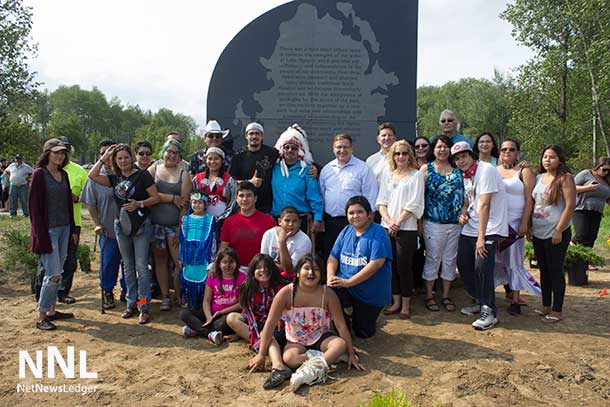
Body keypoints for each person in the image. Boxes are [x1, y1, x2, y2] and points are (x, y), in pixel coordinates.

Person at [250, 254, 364, 392]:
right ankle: (328, 359)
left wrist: (351, 353)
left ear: (321, 273)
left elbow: (341, 325)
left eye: (315, 269)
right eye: (306, 268)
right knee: (289, 358)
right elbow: (269, 324)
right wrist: (261, 354)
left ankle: (308, 373)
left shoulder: (327, 294)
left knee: (340, 344)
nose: (311, 273)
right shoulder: (286, 293)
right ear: (298, 272)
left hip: (321, 336)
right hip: (296, 340)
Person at [88, 143, 160, 324]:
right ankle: (131, 303)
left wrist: (140, 204)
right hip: (121, 226)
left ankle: (143, 306)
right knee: (127, 267)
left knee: (141, 267)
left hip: (141, 225)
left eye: (126, 157)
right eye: (119, 158)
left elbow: (156, 197)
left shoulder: (142, 176)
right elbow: (92, 175)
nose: (123, 161)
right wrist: (105, 156)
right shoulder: (114, 178)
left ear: (132, 158)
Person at [453, 141, 507, 330]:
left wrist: (481, 238)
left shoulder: (486, 171)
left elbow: (485, 204)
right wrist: (464, 212)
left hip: (489, 228)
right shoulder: (466, 175)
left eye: (464, 156)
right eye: (457, 159)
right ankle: (479, 299)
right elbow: (470, 200)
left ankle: (489, 311)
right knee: (463, 263)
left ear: (472, 155)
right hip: (472, 226)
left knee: (482, 267)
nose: (461, 161)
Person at [327, 196, 392, 338]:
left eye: (360, 212)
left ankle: (359, 319)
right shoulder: (346, 230)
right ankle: (343, 321)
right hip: (346, 287)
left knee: (363, 333)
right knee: (328, 291)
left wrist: (349, 282)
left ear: (370, 215)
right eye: (351, 213)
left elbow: (376, 263)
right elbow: (333, 257)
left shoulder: (379, 232)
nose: (355, 216)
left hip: (369, 294)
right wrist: (330, 277)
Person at [29, 139, 76, 330]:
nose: (59, 156)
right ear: (47, 153)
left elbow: (68, 205)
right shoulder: (39, 175)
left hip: (64, 228)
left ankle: (51, 311)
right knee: (53, 274)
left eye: (62, 153)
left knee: (59, 271)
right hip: (48, 231)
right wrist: (41, 236)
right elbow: (34, 209)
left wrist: (73, 230)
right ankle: (41, 317)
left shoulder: (63, 174)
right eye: (56, 152)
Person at [225, 254, 291, 389]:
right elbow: (247, 311)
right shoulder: (249, 286)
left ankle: (278, 366)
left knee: (268, 337)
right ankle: (261, 343)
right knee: (231, 318)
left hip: (279, 324)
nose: (262, 270)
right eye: (258, 267)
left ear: (273, 270)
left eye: (266, 267)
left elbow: (287, 312)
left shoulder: (280, 287)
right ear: (252, 271)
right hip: (257, 322)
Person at [376, 141, 424, 319]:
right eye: (397, 154)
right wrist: (389, 221)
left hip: (407, 228)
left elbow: (415, 203)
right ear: (393, 156)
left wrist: (398, 222)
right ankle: (395, 301)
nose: (401, 157)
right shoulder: (387, 175)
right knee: (390, 266)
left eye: (404, 153)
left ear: (409, 155)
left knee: (404, 267)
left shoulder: (416, 175)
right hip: (387, 228)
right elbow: (381, 201)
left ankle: (406, 304)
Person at [531, 145, 576, 323]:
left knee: (555, 270)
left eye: (552, 157)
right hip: (538, 231)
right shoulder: (539, 178)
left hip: (556, 232)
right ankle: (546, 306)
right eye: (545, 157)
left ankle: (557, 310)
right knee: (543, 269)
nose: (547, 160)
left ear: (560, 160)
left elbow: (570, 206)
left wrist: (559, 230)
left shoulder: (565, 178)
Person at [419, 135, 464, 312]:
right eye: (439, 147)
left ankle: (445, 295)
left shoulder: (458, 170)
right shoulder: (426, 169)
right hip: (433, 223)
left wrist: (463, 211)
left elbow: (465, 195)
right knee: (433, 258)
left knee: (450, 260)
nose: (442, 150)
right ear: (433, 149)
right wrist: (419, 222)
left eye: (446, 146)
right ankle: (429, 295)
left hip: (455, 224)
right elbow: (419, 197)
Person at [495, 138, 540, 315]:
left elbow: (530, 198)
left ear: (517, 152)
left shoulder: (524, 170)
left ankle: (515, 299)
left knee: (514, 261)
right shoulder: (494, 170)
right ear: (499, 153)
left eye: (511, 149)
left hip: (515, 224)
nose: (507, 152)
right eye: (504, 149)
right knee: (496, 261)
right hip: (498, 223)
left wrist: (524, 223)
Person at [80, 140, 125, 308]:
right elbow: (91, 204)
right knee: (108, 263)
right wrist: (96, 223)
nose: (107, 156)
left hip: (127, 228)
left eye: (111, 152)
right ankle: (107, 291)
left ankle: (127, 291)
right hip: (107, 229)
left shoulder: (124, 173)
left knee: (128, 264)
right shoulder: (96, 178)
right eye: (104, 153)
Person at [319, 134, 379, 260]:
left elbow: (371, 194)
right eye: (338, 147)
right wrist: (321, 219)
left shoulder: (363, 168)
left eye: (345, 147)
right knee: (331, 256)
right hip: (331, 223)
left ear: (351, 148)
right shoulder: (327, 169)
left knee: (353, 256)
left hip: (355, 222)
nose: (342, 150)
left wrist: (369, 218)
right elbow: (321, 196)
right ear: (333, 149)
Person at [148, 139, 192, 310]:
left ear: (180, 156)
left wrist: (181, 228)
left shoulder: (184, 175)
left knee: (178, 262)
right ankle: (165, 296)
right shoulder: (154, 169)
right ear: (163, 153)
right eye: (169, 151)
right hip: (156, 225)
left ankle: (179, 295)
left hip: (175, 226)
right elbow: (148, 193)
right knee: (160, 261)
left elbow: (185, 203)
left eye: (175, 153)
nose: (171, 155)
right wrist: (170, 198)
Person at [181, 247, 245, 345]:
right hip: (211, 312)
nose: (228, 265)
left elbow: (242, 304)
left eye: (231, 262)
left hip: (227, 314)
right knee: (184, 314)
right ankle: (210, 334)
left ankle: (197, 329)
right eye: (224, 262)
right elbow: (206, 300)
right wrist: (208, 316)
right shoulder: (213, 277)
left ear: (236, 263)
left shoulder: (242, 278)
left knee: (221, 325)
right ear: (219, 264)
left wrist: (221, 312)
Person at [50, 137, 88, 305]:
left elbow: (87, 197)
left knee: (70, 260)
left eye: (64, 150)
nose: (61, 154)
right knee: (48, 262)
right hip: (51, 224)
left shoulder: (79, 171)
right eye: (57, 151)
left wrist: (75, 197)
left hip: (74, 222)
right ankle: (43, 293)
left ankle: (63, 292)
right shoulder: (45, 171)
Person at [271, 124, 323, 234]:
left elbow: (314, 197)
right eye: (287, 147)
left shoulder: (307, 170)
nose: (290, 150)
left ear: (299, 150)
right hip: (277, 219)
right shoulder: (273, 169)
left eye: (294, 148)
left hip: (300, 220)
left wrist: (318, 218)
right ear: (282, 149)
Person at [220, 181, 276, 268]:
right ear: (236, 199)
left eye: (249, 195)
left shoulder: (269, 221)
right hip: (236, 271)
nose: (244, 199)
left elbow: (274, 251)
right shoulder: (228, 222)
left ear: (255, 198)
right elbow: (223, 250)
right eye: (241, 196)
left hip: (261, 270)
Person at [178, 193, 217, 311]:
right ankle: (192, 306)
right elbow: (182, 240)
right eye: (194, 202)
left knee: (204, 284)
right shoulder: (185, 219)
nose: (197, 205)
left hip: (204, 259)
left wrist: (213, 260)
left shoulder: (210, 219)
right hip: (189, 259)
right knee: (189, 282)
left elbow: (214, 241)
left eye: (200, 202)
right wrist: (181, 257)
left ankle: (203, 307)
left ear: (205, 204)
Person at [229, 122, 279, 213]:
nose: (254, 136)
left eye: (257, 134)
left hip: (267, 206)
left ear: (262, 136)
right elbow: (230, 181)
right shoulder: (238, 156)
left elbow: (290, 159)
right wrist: (249, 182)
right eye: (251, 133)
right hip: (245, 206)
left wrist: (313, 167)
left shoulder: (273, 153)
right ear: (246, 136)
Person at [261, 206, 312, 279]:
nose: (291, 224)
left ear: (299, 223)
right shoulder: (269, 234)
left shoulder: (304, 240)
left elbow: (289, 270)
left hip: (292, 280)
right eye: (287, 220)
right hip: (269, 276)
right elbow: (263, 262)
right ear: (280, 222)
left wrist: (282, 242)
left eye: (294, 221)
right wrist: (278, 267)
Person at [192, 147, 237, 225]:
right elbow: (192, 200)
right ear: (205, 160)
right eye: (210, 158)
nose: (213, 161)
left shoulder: (229, 179)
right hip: (201, 222)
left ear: (222, 161)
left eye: (216, 159)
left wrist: (221, 219)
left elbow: (233, 202)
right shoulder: (197, 179)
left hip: (222, 222)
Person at [572, 157, 610, 247]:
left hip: (597, 212)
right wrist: (588, 188)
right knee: (581, 236)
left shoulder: (607, 181)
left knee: (591, 238)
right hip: (582, 209)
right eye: (604, 169)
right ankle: (569, 253)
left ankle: (585, 259)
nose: (606, 172)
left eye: (609, 170)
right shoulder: (586, 174)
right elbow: (571, 187)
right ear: (598, 166)